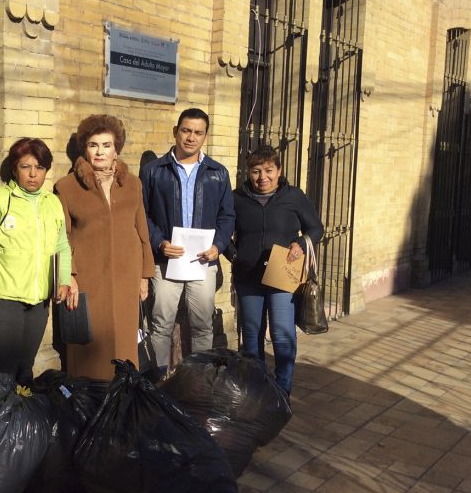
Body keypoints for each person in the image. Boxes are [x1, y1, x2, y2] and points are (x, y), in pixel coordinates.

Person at [54, 115, 154, 380]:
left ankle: (123, 399)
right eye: (93, 145)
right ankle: (88, 401)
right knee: (87, 348)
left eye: (106, 145)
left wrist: (145, 274)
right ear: (84, 149)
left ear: (116, 149)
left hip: (126, 275)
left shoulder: (133, 184)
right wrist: (69, 276)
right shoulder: (66, 187)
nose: (100, 151)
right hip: (86, 277)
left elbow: (141, 230)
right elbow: (60, 236)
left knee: (124, 341)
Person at [139, 108, 235, 376]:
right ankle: (158, 381)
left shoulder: (218, 172)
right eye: (186, 130)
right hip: (166, 261)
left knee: (203, 325)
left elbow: (227, 216)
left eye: (198, 132)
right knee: (161, 325)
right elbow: (141, 214)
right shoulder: (153, 171)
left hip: (203, 261)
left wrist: (219, 245)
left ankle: (199, 380)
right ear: (176, 132)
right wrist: (159, 242)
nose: (191, 137)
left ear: (205, 136)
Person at [0, 138, 71, 386]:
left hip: (38, 302)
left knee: (26, 367)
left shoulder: (52, 202)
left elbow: (61, 246)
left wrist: (63, 280)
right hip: (3, 299)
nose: (33, 174)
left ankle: (21, 421)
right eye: (26, 167)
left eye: (40, 168)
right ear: (15, 169)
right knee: (4, 369)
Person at [225, 145, 324, 396]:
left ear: (279, 170)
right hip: (248, 278)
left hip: (283, 276)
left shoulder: (294, 197)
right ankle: (257, 390)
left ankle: (282, 391)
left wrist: (301, 244)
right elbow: (223, 232)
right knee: (251, 335)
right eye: (256, 171)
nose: (262, 178)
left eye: (269, 170)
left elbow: (316, 228)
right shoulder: (237, 198)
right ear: (248, 172)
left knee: (282, 334)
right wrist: (235, 255)